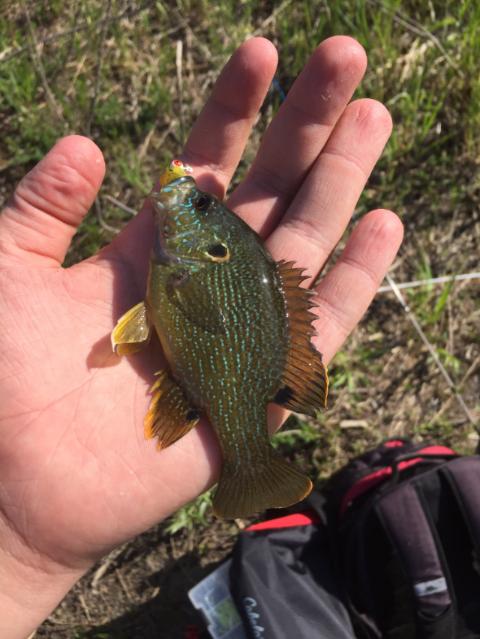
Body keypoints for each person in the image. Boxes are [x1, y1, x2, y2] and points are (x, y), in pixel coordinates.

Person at [0, 35, 403, 638]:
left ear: (214, 251)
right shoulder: (187, 266)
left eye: (204, 212)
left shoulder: (193, 267)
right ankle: (249, 463)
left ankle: (249, 463)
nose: (193, 201)